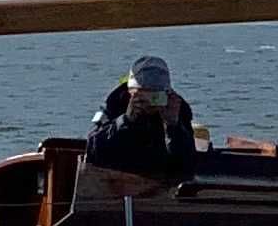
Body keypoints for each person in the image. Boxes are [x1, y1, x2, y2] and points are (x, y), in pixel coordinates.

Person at [85, 53, 198, 184]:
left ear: (167, 93)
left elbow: (187, 166)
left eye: (156, 96)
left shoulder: (177, 109)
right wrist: (125, 121)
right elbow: (94, 151)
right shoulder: (115, 103)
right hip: (117, 182)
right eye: (144, 96)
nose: (150, 103)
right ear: (131, 93)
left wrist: (173, 126)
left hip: (161, 185)